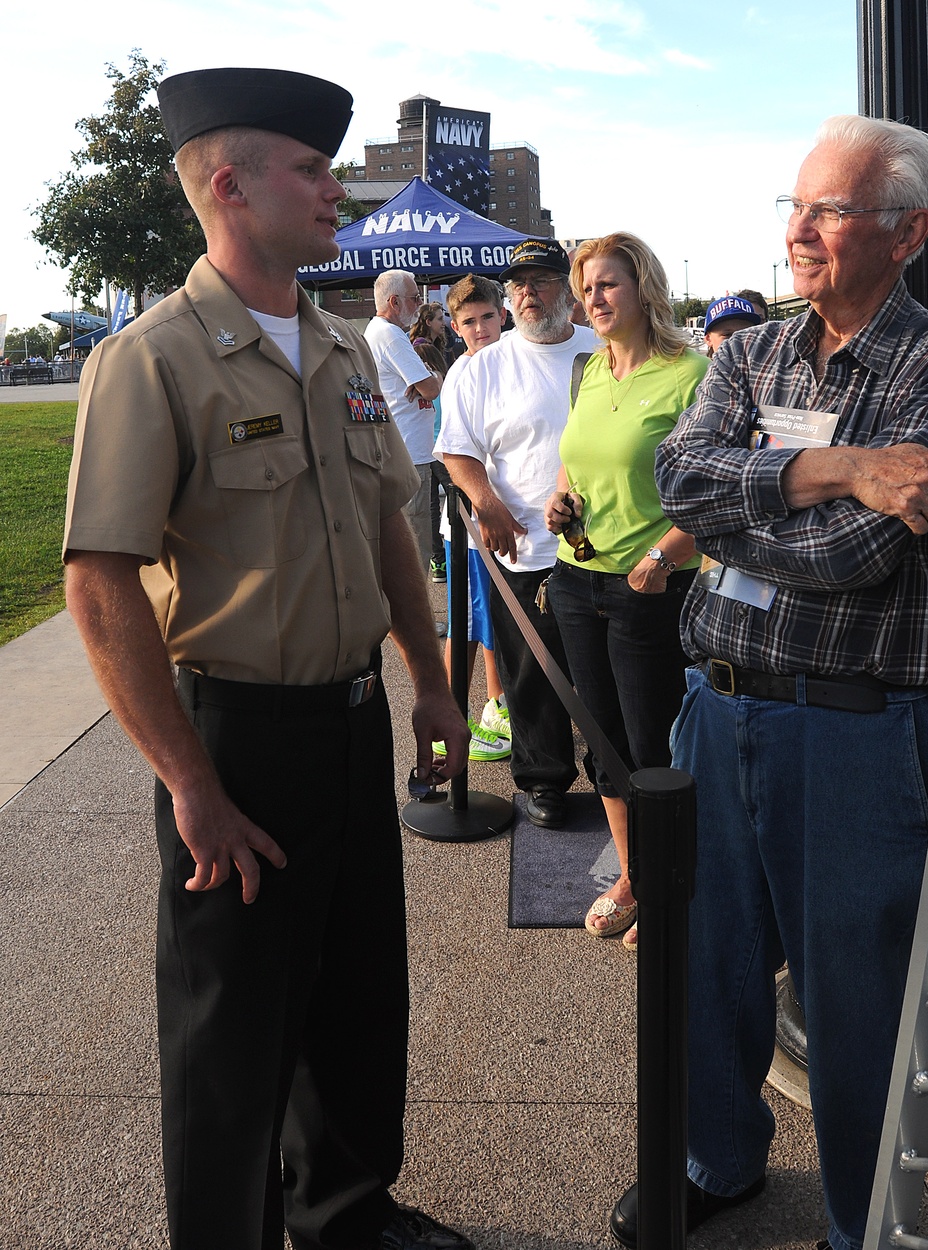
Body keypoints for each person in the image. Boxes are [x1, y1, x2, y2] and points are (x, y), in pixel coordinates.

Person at [62, 66, 471, 1250]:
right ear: (232, 186)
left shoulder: (343, 349)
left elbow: (389, 525)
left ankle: (345, 1212)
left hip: (349, 721)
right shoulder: (153, 359)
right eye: (311, 168)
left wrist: (432, 681)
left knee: (356, 997)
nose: (334, 188)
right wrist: (191, 783)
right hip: (234, 733)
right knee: (229, 1028)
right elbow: (98, 581)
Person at [610, 115, 928, 1250]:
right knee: (705, 954)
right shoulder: (748, 352)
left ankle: (859, 1218)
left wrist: (742, 515)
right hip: (717, 702)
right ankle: (714, 1158)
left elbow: (854, 557)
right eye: (795, 206)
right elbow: (678, 479)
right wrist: (837, 468)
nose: (801, 232)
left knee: (854, 991)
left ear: (905, 231)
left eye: (829, 210)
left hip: (857, 730)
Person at [543, 232, 706, 950]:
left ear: (643, 288)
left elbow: (716, 492)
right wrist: (560, 503)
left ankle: (676, 883)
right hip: (577, 580)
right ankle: (637, 876)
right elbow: (573, 463)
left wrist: (662, 559)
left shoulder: (691, 373)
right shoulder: (591, 372)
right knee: (604, 741)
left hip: (651, 587)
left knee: (652, 743)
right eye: (586, 288)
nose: (593, 299)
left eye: (606, 284)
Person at [436, 239, 597, 828]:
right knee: (531, 675)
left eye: (542, 279)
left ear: (568, 288)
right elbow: (457, 450)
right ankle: (543, 780)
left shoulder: (603, 351)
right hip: (523, 546)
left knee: (603, 670)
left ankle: (617, 775)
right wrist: (487, 504)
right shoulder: (481, 368)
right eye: (518, 283)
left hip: (609, 548)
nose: (528, 291)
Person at [433, 275, 511, 762]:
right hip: (471, 523)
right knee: (465, 623)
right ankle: (445, 722)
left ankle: (497, 704)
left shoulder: (508, 361)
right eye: (468, 322)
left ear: (501, 315)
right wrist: (483, 506)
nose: (480, 329)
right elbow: (455, 455)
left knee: (492, 620)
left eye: (487, 318)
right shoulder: (462, 373)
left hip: (503, 518)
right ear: (455, 326)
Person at [365, 271, 443, 580]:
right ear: (394, 302)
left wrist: (426, 376)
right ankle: (416, 622)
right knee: (416, 541)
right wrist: (432, 374)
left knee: (407, 540)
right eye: (414, 298)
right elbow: (431, 388)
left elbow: (424, 383)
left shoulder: (379, 331)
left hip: (402, 450)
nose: (420, 303)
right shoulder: (390, 334)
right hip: (410, 454)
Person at [410, 302, 452, 583]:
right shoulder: (434, 373)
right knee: (456, 504)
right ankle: (447, 558)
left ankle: (439, 562)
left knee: (432, 509)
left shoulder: (417, 370)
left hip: (426, 449)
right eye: (438, 318)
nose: (443, 323)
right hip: (436, 449)